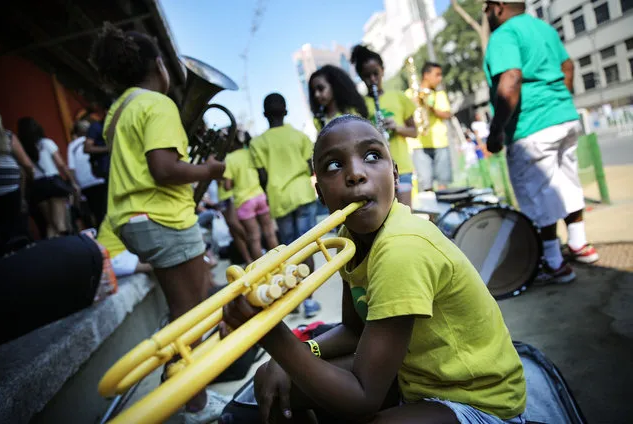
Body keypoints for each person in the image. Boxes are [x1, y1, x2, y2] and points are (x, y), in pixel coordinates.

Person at [222, 115, 526, 424]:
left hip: (478, 401)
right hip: (417, 381)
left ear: (395, 175)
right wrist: (303, 351)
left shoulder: (401, 248)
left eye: (372, 156)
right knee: (280, 387)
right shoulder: (348, 242)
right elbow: (355, 330)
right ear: (320, 194)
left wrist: (273, 337)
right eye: (333, 166)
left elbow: (362, 397)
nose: (355, 173)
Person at [88, 23, 229, 422]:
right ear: (158, 66)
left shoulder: (120, 111)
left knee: (187, 312)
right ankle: (193, 407)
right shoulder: (158, 104)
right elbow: (164, 168)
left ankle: (184, 397)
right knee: (192, 318)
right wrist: (208, 170)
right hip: (163, 218)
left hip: (137, 220)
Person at [484, 0, 598, 283]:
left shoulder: (504, 34)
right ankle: (578, 244)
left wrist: (497, 129)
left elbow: (510, 80)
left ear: (497, 7)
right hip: (563, 117)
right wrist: (558, 102)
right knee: (568, 182)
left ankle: (554, 262)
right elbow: (567, 66)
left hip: (531, 127)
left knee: (539, 194)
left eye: (486, 7)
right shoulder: (542, 28)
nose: (486, 14)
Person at [249, 93, 321, 319]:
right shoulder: (299, 136)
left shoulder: (257, 143)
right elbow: (312, 168)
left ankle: (293, 296)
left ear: (264, 115)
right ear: (286, 111)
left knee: (289, 252)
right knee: (306, 247)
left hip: (279, 199)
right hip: (302, 194)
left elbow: (262, 176)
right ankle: (309, 300)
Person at [350, 45, 417, 207]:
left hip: (401, 166)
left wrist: (397, 128)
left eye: (375, 73)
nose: (372, 79)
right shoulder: (358, 107)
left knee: (404, 216)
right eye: (367, 76)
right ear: (360, 76)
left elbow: (414, 132)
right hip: (374, 171)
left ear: (382, 70)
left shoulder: (399, 97)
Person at [17, 116, 80, 238]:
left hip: (37, 187)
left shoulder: (23, 149)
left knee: (50, 225)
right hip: (53, 184)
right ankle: (67, 252)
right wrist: (73, 182)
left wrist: (23, 194)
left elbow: (24, 173)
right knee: (60, 224)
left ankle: (53, 252)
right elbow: (61, 164)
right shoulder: (46, 143)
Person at [223, 128, 278, 260]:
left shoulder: (229, 159)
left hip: (244, 201)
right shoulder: (249, 153)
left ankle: (263, 271)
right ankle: (280, 262)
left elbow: (227, 186)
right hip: (260, 196)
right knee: (270, 233)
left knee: (254, 238)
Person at [0, 108, 34, 256]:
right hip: (11, 189)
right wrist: (32, 178)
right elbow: (27, 164)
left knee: (1, 231)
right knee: (17, 226)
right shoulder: (8, 136)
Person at [412, 62, 453, 192]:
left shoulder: (439, 94)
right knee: (426, 187)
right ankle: (432, 213)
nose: (440, 78)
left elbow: (447, 114)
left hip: (440, 143)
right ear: (426, 75)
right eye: (437, 75)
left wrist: (429, 107)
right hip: (420, 145)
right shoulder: (411, 93)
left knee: (443, 185)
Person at [68, 120, 108, 228]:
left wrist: (75, 184)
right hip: (100, 179)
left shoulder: (72, 146)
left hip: (85, 183)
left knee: (94, 213)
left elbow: (71, 168)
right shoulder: (97, 140)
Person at [308, 65, 368, 132]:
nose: (316, 95)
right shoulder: (318, 121)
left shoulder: (352, 112)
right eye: (313, 91)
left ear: (334, 86)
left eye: (321, 88)